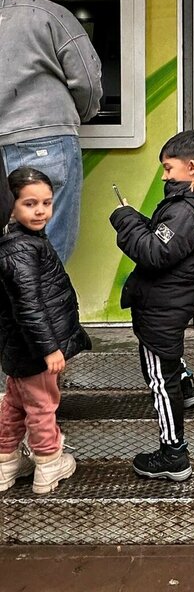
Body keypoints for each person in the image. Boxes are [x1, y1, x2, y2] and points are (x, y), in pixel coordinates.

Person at [109, 129, 194, 482]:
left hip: (161, 307)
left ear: (190, 167)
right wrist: (138, 219)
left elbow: (154, 253)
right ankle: (184, 385)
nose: (164, 175)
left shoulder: (186, 210)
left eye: (168, 169)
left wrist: (124, 220)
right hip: (172, 302)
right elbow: (163, 239)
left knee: (158, 377)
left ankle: (173, 454)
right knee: (167, 360)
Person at [0, 0, 103, 264]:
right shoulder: (56, 16)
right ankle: (39, 312)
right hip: (47, 141)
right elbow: (87, 82)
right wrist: (83, 114)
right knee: (48, 251)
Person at [0, 167, 92, 495]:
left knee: (14, 402)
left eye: (47, 203)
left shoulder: (22, 239)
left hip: (18, 346)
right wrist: (50, 348)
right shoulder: (20, 248)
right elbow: (29, 306)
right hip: (34, 347)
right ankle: (49, 462)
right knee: (42, 404)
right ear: (11, 205)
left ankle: (6, 461)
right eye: (30, 203)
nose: (40, 211)